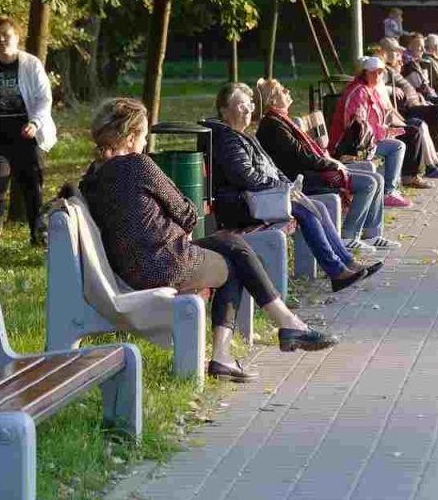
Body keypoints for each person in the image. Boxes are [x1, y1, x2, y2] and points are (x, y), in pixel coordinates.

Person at [79, 98, 338, 383]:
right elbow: (188, 213)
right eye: (142, 137)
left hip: (135, 264)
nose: (144, 144)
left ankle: (282, 326)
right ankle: (250, 341)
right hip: (162, 265)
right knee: (233, 260)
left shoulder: (92, 177)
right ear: (130, 138)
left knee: (230, 243)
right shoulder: (138, 165)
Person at [205, 83, 381, 292]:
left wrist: (286, 186)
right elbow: (246, 178)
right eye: (241, 106)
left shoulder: (242, 135)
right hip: (241, 206)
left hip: (257, 199)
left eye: (250, 106)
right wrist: (282, 187)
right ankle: (336, 271)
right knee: (305, 209)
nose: (247, 111)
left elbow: (270, 167)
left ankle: (346, 263)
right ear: (224, 111)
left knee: (316, 206)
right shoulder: (228, 140)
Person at [253, 78, 401, 253]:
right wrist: (331, 164)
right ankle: (348, 236)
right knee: (369, 183)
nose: (288, 92)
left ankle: (372, 234)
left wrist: (331, 163)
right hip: (302, 178)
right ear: (272, 100)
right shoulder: (273, 126)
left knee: (376, 178)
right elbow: (303, 157)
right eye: (283, 91)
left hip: (311, 171)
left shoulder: (281, 121)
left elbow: (306, 155)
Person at [0, 16, 57, 253]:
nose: (1, 40)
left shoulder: (31, 64)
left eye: (6, 35)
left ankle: (37, 233)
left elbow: (43, 98)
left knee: (32, 187)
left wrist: (35, 123)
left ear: (17, 37)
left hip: (27, 138)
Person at [329, 57, 427, 208]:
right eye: (373, 72)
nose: (377, 76)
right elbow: (356, 127)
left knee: (403, 139)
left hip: (364, 141)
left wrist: (387, 129)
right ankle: (389, 192)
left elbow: (373, 122)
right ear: (364, 73)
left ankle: (394, 188)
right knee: (397, 146)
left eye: (380, 72)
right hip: (349, 147)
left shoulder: (370, 89)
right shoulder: (358, 92)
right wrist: (384, 132)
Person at [378, 37, 438, 159]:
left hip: (415, 103)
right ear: (385, 52)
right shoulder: (383, 70)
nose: (399, 55)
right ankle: (437, 151)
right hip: (406, 110)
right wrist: (391, 89)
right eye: (395, 52)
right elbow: (378, 87)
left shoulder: (392, 68)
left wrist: (421, 99)